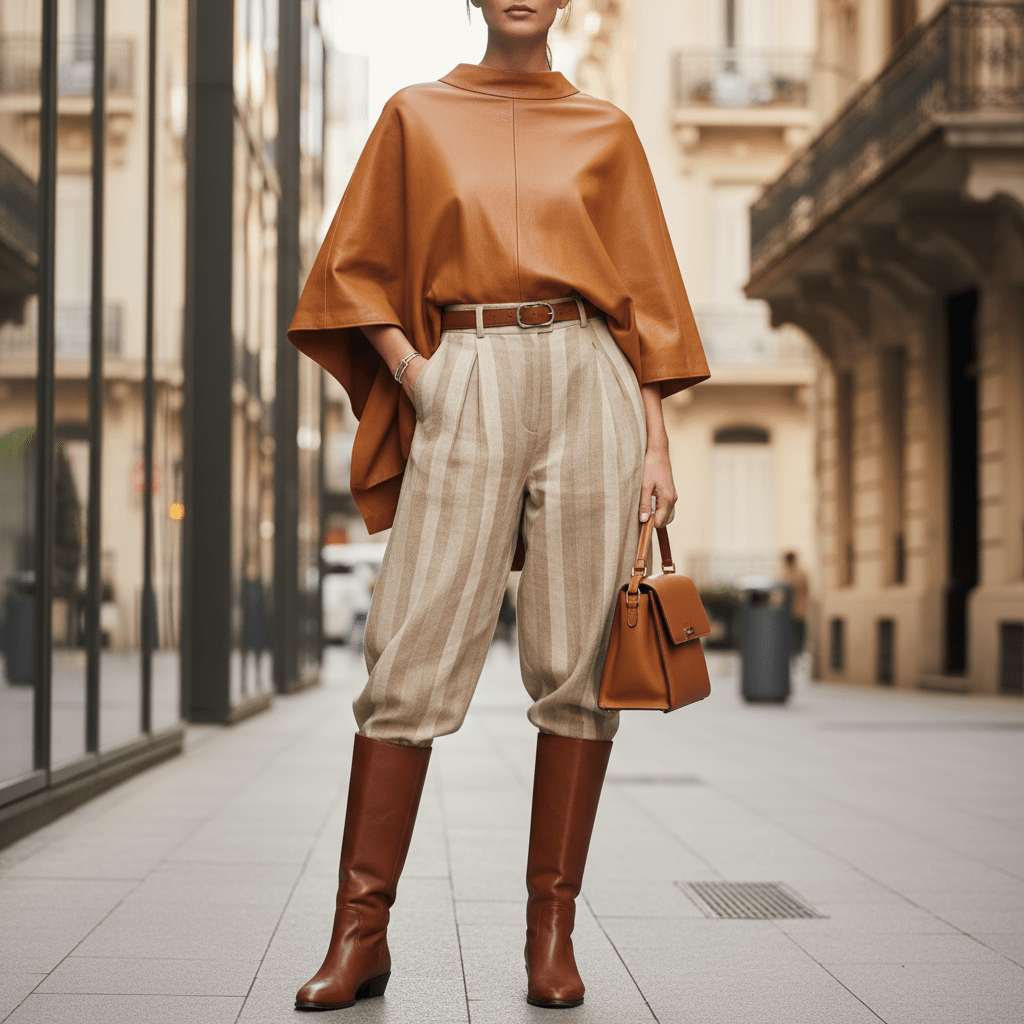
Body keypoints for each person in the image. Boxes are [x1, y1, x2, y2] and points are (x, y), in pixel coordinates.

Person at [286, 0, 709, 1011]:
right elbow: (355, 270)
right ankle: (360, 932)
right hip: (463, 370)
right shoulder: (414, 117)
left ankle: (550, 936)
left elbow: (641, 300)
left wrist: (653, 439)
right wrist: (418, 376)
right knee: (412, 647)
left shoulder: (604, 128)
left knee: (578, 661)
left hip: (589, 380)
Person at [781, 551, 809, 655]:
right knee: (797, 638)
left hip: (794, 611)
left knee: (796, 637)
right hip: (798, 611)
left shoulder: (788, 576)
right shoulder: (800, 574)